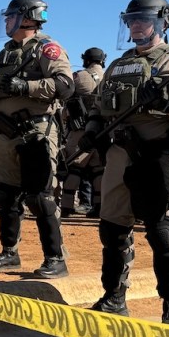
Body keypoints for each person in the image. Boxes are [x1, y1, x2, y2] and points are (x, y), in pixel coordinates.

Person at [81, 0, 169, 325]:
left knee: (160, 231)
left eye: (144, 21)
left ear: (162, 23)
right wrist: (92, 130)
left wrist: (167, 105)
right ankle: (113, 297)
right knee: (112, 230)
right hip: (119, 156)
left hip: (159, 157)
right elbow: (99, 107)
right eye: (132, 21)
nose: (137, 27)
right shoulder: (117, 65)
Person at [0, 0, 75, 278]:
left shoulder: (47, 49)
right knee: (6, 195)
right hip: (5, 132)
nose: (6, 21)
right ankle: (10, 253)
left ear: (27, 17)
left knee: (40, 196)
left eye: (10, 17)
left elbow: (65, 85)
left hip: (35, 131)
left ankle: (55, 258)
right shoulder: (6, 52)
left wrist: (26, 86)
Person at [59, 47, 106, 218]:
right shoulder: (107, 78)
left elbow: (64, 98)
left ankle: (66, 206)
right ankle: (99, 207)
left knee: (74, 168)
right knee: (98, 170)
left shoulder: (78, 77)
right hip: (101, 130)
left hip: (80, 130)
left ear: (86, 60)